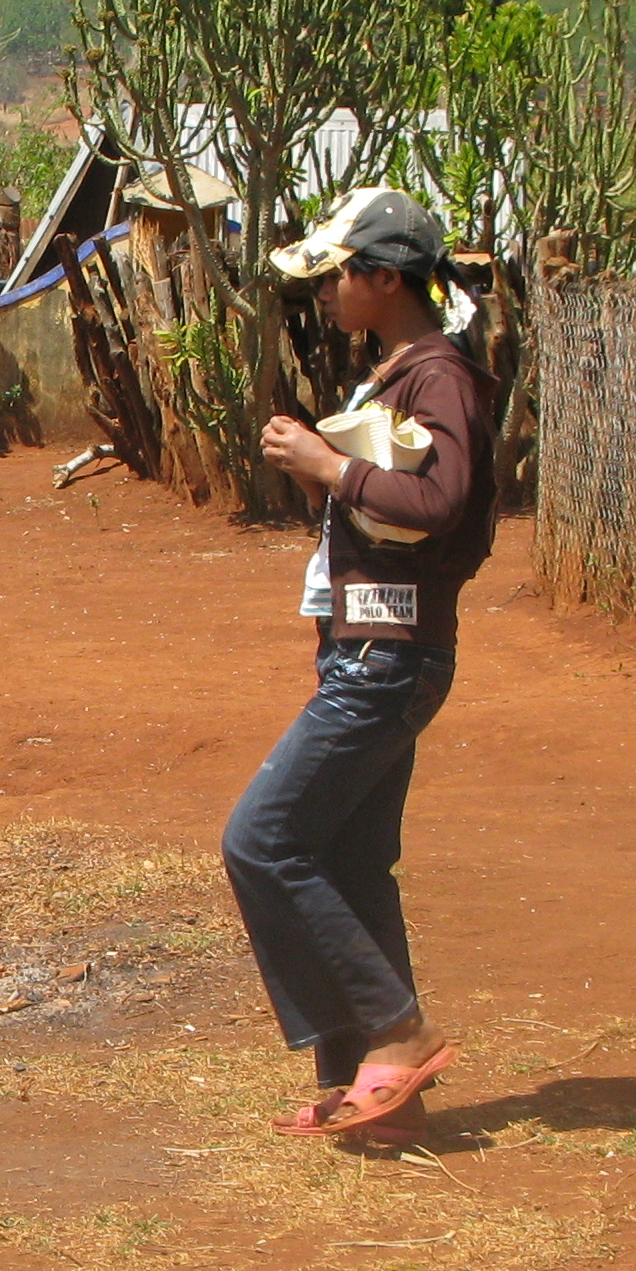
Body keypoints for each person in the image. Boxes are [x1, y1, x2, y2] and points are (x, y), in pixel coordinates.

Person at [223, 190, 501, 1144]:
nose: (335, 288)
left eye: (346, 272)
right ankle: (368, 1084)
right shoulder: (397, 373)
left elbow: (449, 500)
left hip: (390, 658)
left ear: (386, 279)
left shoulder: (439, 376)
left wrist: (331, 467)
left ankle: (399, 1028)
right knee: (346, 857)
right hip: (370, 649)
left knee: (261, 841)